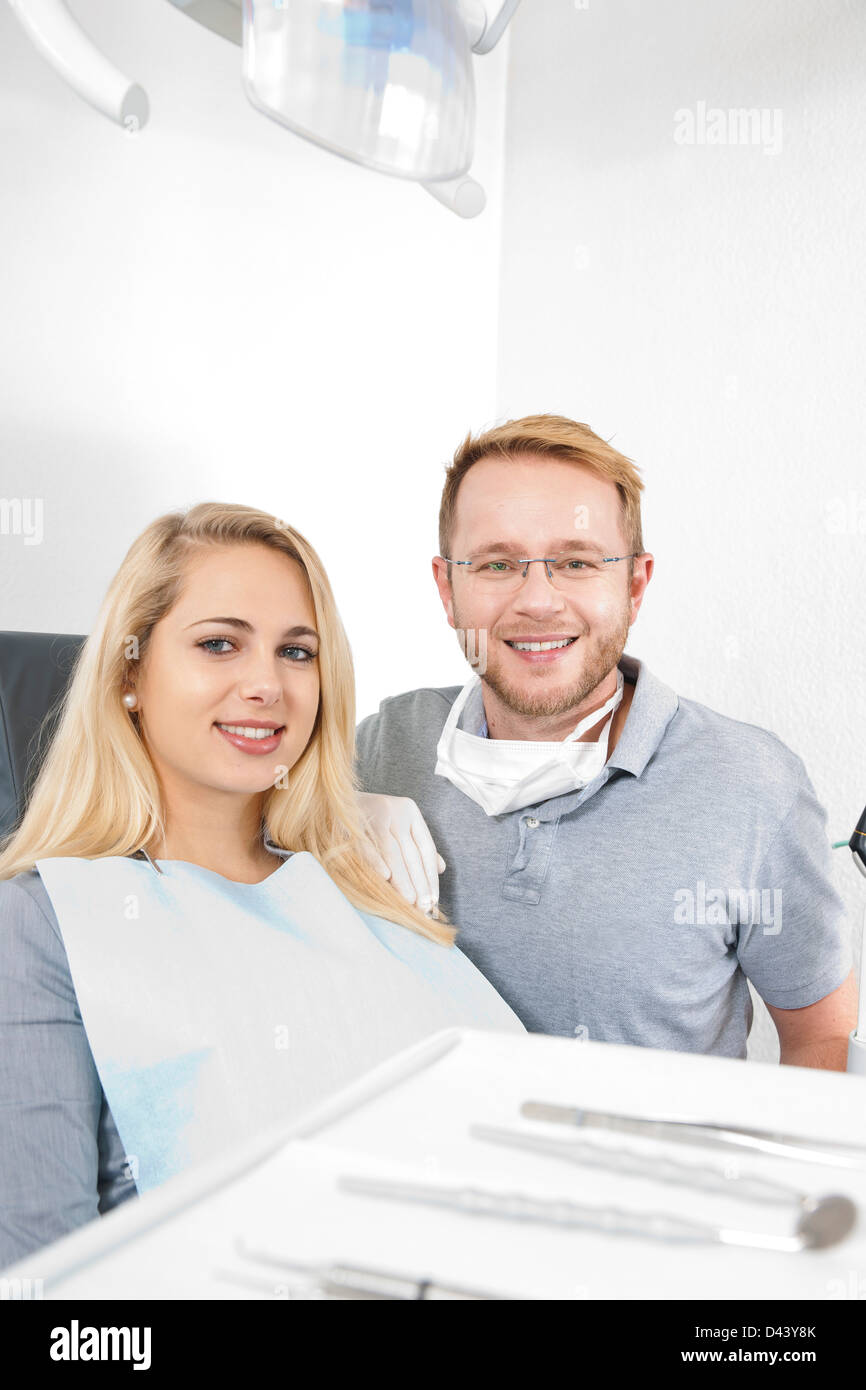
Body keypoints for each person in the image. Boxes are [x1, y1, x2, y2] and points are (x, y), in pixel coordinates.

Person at [0, 502, 522, 1270]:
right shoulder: (45, 923)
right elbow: (42, 1278)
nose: (266, 685)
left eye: (297, 652)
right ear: (129, 674)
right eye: (219, 644)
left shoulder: (371, 889)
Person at [355, 414, 856, 1066]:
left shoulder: (751, 784)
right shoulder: (385, 747)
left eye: (576, 562)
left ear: (635, 584)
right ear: (447, 588)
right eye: (497, 563)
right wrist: (334, 811)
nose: (538, 600)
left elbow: (821, 1034)